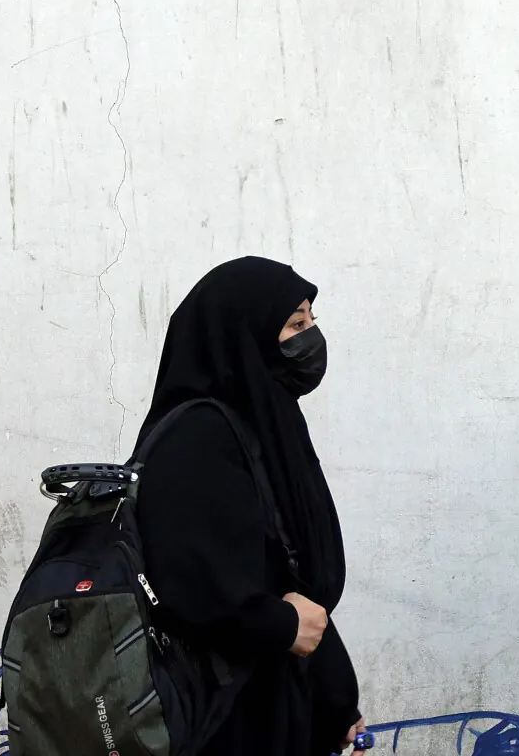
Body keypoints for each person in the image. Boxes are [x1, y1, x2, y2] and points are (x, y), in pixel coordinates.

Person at [134, 257, 366, 755]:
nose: (309, 339)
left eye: (311, 321)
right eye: (295, 324)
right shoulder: (197, 438)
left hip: (272, 699)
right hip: (224, 718)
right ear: (245, 332)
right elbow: (193, 583)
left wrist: (336, 704)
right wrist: (281, 626)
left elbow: (291, 580)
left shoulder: (263, 423)